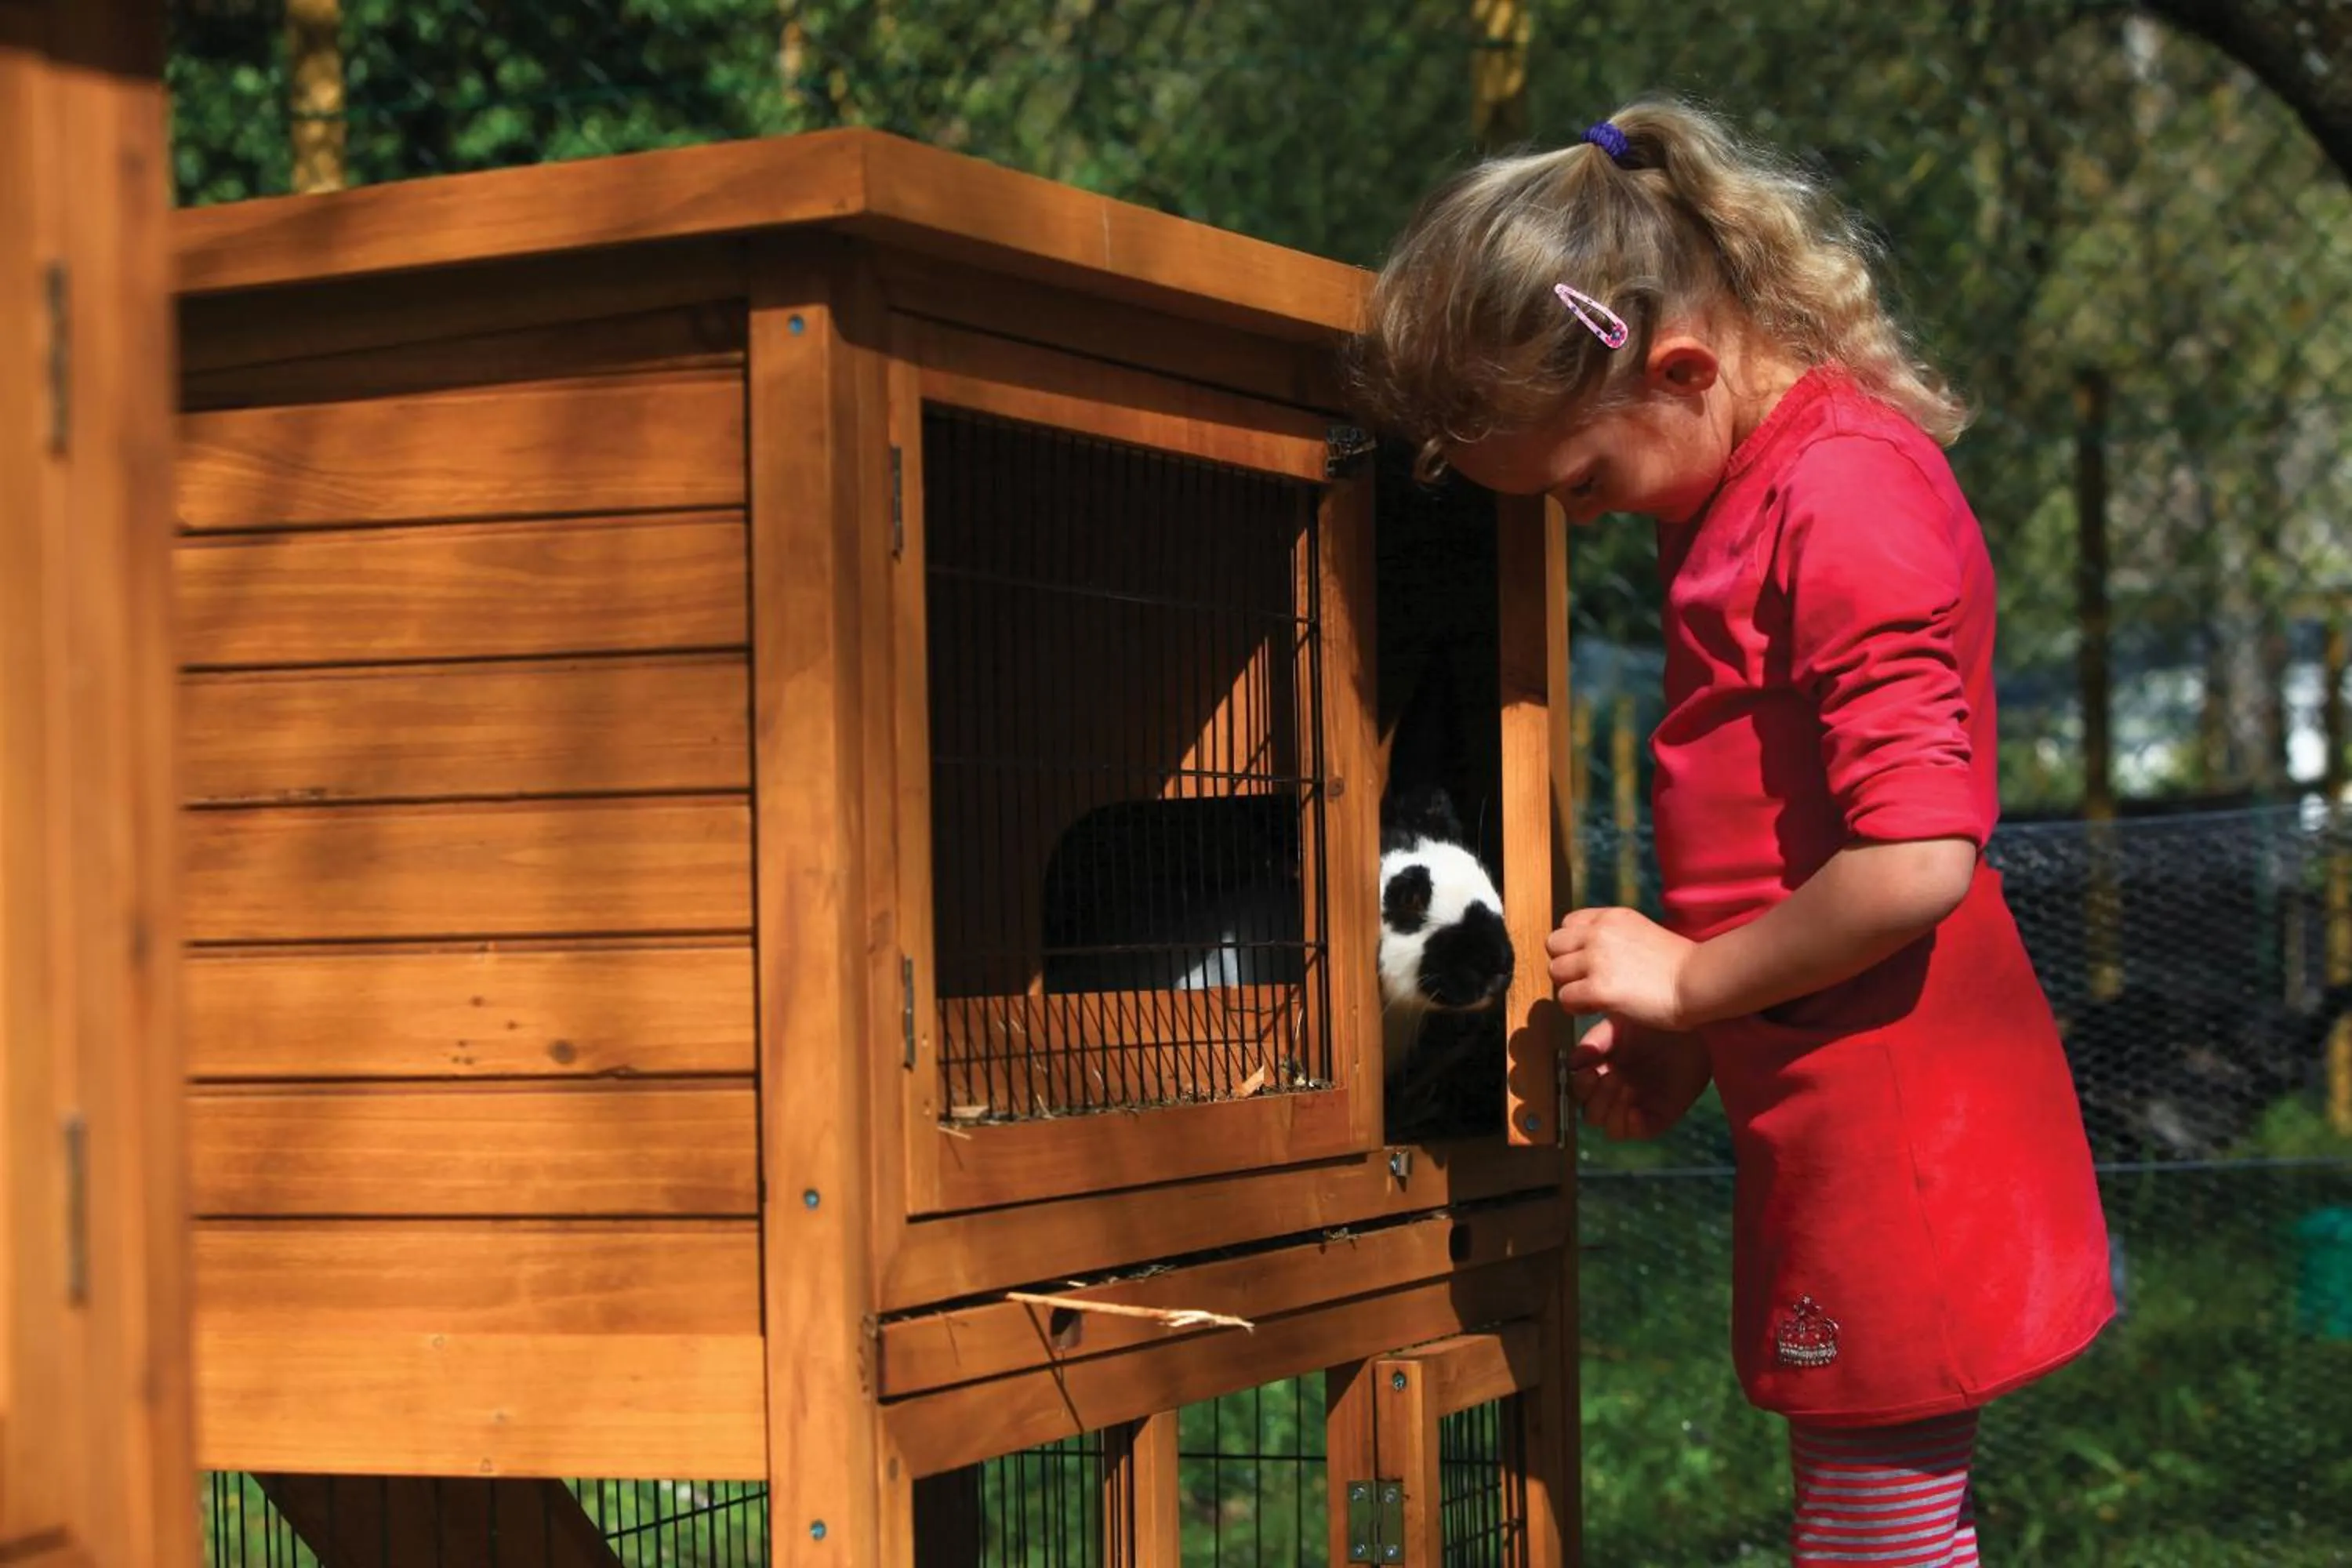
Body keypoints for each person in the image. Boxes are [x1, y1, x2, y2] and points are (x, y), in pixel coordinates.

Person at [1348, 100, 2115, 1566]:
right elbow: (1789, 828)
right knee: (1872, 1514)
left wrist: (1692, 980)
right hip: (1842, 1112)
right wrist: (1697, 1031)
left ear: (1682, 369)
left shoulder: (1844, 499)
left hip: (1908, 1132)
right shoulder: (1745, 495)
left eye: (1578, 483)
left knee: (1876, 1533)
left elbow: (1911, 862)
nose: (1575, 523)